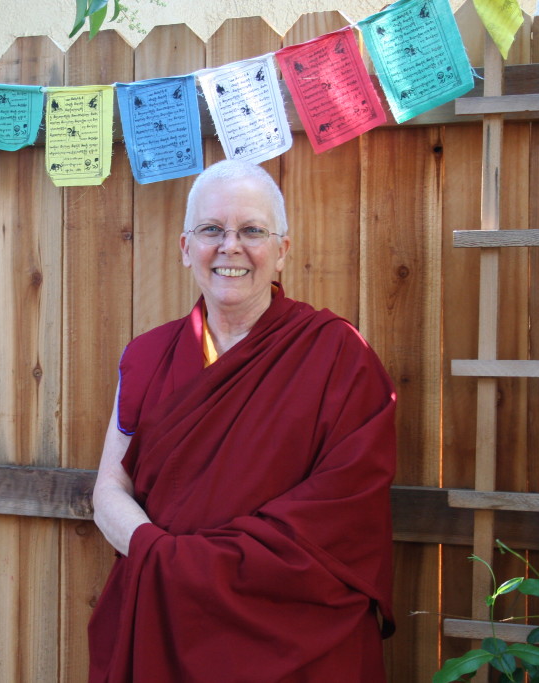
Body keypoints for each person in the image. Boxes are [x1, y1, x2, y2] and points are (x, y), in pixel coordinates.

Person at [87, 160, 396, 682]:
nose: (230, 246)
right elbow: (109, 488)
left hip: (293, 631)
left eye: (252, 230)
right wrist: (161, 557)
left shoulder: (339, 355)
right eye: (212, 230)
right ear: (186, 248)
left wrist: (181, 561)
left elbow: (345, 517)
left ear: (281, 252)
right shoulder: (147, 356)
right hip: (170, 615)